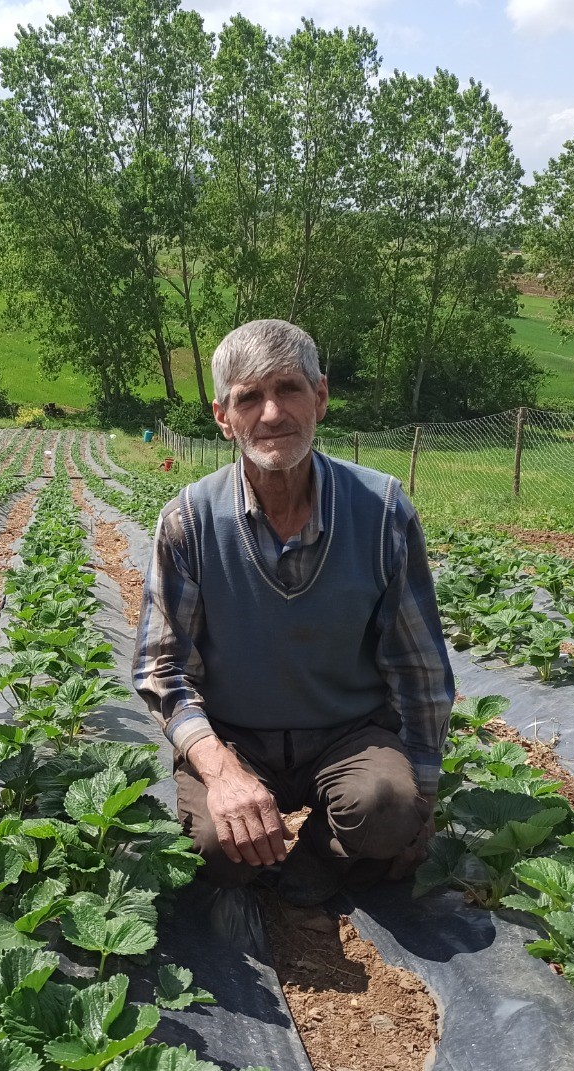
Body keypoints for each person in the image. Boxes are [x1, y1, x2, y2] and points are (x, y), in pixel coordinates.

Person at [133, 319, 454, 908]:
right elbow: (162, 669)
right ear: (222, 416)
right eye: (248, 397)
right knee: (210, 850)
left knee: (387, 809)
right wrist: (221, 772)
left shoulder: (380, 510)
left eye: (289, 389)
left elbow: (418, 667)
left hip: (347, 734)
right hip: (234, 736)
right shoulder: (190, 520)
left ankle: (314, 850)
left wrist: (423, 805)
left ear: (321, 398)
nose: (272, 414)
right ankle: (261, 842)